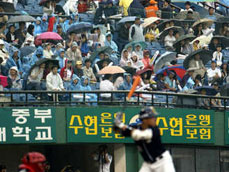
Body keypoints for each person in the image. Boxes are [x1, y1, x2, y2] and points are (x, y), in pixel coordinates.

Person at [114, 107, 176, 172]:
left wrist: (122, 125)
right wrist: (117, 125)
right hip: (148, 164)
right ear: (145, 120)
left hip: (162, 162)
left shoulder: (155, 129)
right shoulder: (136, 127)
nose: (155, 119)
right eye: (152, 117)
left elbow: (138, 135)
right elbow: (119, 131)